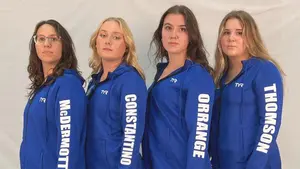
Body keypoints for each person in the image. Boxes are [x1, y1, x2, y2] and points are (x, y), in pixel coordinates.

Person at [142, 5, 215, 169]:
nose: (173, 35)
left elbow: (199, 135)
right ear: (161, 33)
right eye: (168, 28)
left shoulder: (198, 76)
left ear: (191, 36)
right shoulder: (161, 73)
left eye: (182, 29)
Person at [210, 10, 284, 169]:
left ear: (251, 37)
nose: (231, 38)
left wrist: (255, 165)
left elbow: (270, 124)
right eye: (226, 32)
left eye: (239, 33)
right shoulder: (220, 76)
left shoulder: (264, 70)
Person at [19, 19, 87, 169]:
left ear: (64, 45)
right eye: (41, 39)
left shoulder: (67, 85)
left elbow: (69, 144)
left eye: (53, 39)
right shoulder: (42, 86)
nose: (46, 44)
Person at [85, 17, 147, 169]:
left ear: (126, 46)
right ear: (96, 41)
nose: (108, 41)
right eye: (103, 35)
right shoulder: (94, 82)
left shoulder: (130, 81)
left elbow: (132, 136)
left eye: (116, 37)